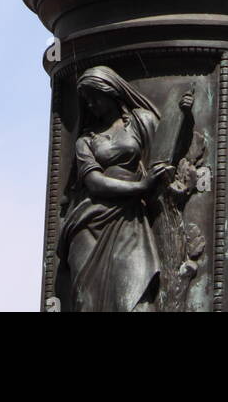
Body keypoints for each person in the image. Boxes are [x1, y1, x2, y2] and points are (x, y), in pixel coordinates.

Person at [57, 66, 173, 312]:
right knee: (85, 302)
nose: (91, 105)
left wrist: (183, 115)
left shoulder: (142, 121)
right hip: (89, 220)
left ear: (110, 91)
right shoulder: (85, 141)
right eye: (86, 100)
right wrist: (141, 186)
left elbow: (164, 155)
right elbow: (94, 182)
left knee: (138, 302)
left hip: (129, 220)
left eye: (94, 97)